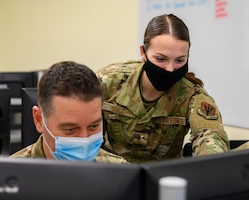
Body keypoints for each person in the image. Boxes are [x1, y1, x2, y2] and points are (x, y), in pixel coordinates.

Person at [96, 13, 229, 163]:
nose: (170, 69)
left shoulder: (192, 95)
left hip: (164, 179)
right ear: (143, 53)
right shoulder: (108, 82)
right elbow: (81, 139)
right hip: (110, 173)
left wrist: (211, 163)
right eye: (161, 59)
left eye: (180, 60)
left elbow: (210, 138)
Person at [11, 61, 128, 164]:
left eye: (93, 126)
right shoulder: (8, 175)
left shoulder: (120, 172)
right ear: (39, 120)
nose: (84, 140)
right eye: (70, 129)